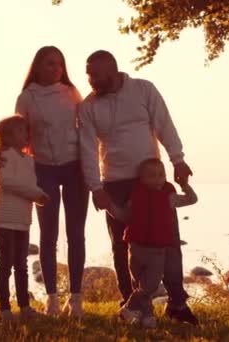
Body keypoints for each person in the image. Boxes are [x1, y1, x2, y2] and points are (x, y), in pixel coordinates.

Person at [78, 50, 199, 325]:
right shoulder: (88, 107)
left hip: (152, 181)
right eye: (88, 75)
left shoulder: (143, 90)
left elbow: (165, 125)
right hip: (115, 184)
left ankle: (177, 305)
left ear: (112, 70)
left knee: (168, 243)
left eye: (95, 74)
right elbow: (87, 149)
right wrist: (96, 188)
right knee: (123, 248)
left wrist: (178, 160)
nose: (90, 80)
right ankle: (131, 305)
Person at [13, 46, 89, 316]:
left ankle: (76, 299)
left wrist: (92, 169)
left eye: (59, 64)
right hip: (43, 169)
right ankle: (52, 299)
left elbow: (87, 130)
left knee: (76, 233)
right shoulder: (27, 97)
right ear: (37, 66)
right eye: (49, 64)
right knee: (48, 235)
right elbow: (18, 137)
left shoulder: (71, 93)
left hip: (75, 168)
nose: (55, 68)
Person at [109, 158, 198, 328]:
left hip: (157, 251)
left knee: (150, 285)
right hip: (135, 249)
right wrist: (108, 206)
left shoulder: (169, 196)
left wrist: (184, 185)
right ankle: (147, 317)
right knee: (142, 284)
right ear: (141, 179)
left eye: (161, 175)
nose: (157, 179)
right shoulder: (136, 196)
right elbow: (124, 216)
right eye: (151, 176)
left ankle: (128, 309)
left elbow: (192, 199)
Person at [0, 115, 48, 322]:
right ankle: (5, 308)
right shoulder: (4, 156)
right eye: (23, 131)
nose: (27, 136)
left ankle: (25, 306)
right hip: (6, 220)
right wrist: (35, 194)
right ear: (9, 136)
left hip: (23, 220)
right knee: (5, 264)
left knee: (22, 265)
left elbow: (29, 185)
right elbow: (7, 182)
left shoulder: (28, 160)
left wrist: (39, 195)